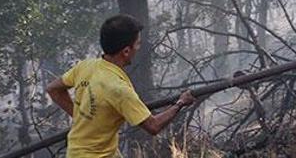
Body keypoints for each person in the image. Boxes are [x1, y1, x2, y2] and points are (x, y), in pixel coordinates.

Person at [46, 14, 195, 157]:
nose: (139, 48)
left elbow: (53, 90)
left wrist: (82, 117)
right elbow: (153, 126)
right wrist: (180, 103)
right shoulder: (118, 89)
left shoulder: (86, 66)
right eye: (138, 44)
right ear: (126, 51)